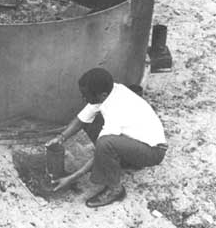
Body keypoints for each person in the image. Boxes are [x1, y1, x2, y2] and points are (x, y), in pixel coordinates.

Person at [46, 68, 167, 208]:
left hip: (153, 152)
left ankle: (115, 190)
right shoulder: (109, 91)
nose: (84, 98)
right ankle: (124, 160)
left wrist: (72, 178)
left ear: (102, 95)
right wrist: (61, 138)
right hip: (138, 141)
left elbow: (102, 147)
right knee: (90, 122)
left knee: (105, 144)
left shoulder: (115, 109)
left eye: (86, 95)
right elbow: (81, 119)